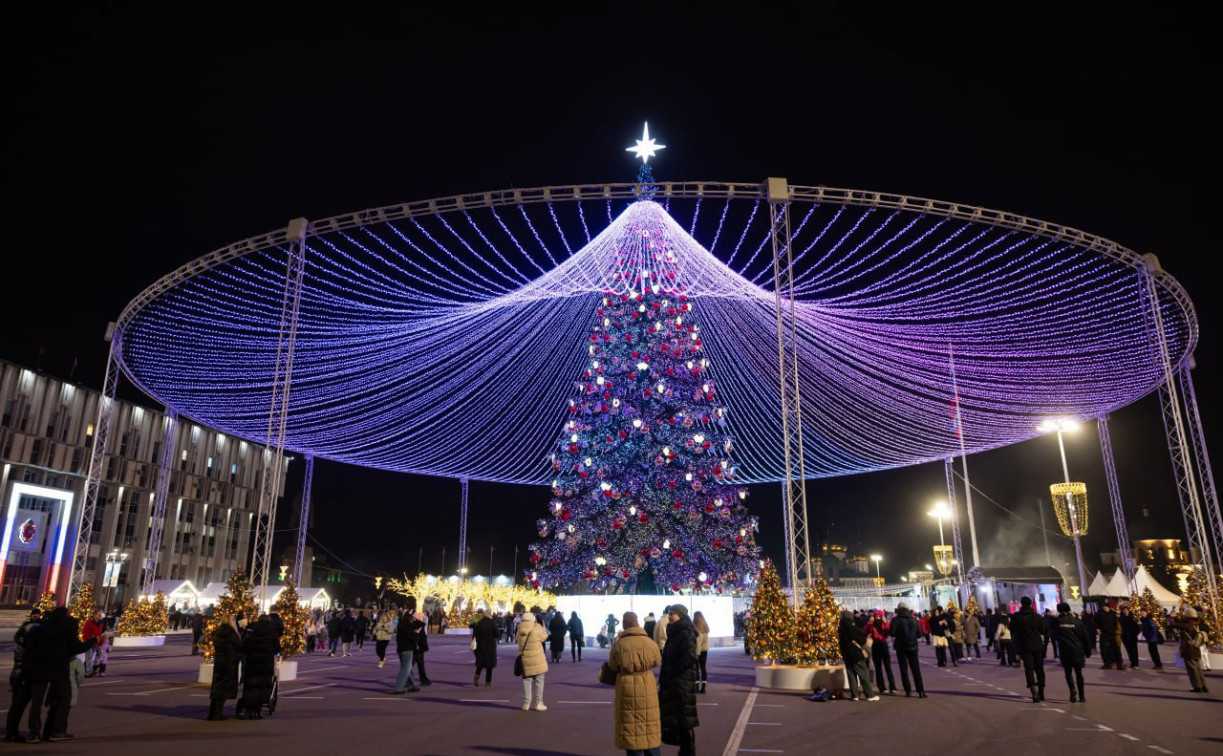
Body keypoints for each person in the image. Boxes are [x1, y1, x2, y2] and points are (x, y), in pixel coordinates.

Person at [26, 606, 98, 742]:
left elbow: (30, 651)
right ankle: (57, 730)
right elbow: (77, 648)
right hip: (58, 670)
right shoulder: (65, 630)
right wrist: (92, 640)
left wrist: (28, 669)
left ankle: (34, 732)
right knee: (64, 699)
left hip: (39, 670)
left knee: (37, 702)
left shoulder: (39, 629)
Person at [605, 612, 663, 756]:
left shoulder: (620, 644)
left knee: (631, 728)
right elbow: (657, 661)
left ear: (624, 625)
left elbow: (612, 665)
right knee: (649, 726)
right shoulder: (649, 642)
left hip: (626, 686)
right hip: (647, 684)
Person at [659, 605, 699, 756]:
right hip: (676, 682)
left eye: (673, 614)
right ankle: (685, 750)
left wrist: (674, 672)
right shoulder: (675, 631)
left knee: (684, 721)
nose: (670, 616)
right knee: (680, 720)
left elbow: (690, 657)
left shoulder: (685, 632)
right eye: (669, 614)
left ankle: (689, 752)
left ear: (681, 616)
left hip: (681, 682)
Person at [4, 608, 41, 743]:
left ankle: (11, 732)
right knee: (19, 705)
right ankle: (12, 733)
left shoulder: (21, 641)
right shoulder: (29, 645)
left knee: (16, 705)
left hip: (17, 673)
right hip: (23, 675)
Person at [237, 615, 280, 719]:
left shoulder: (251, 630)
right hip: (266, 662)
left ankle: (248, 709)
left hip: (252, 661)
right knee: (263, 686)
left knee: (250, 685)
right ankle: (257, 710)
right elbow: (277, 648)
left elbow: (245, 645)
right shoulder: (272, 631)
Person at [1010, 596, 1046, 702]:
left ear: (1021, 603)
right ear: (1031, 604)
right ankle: (1041, 692)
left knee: (1029, 669)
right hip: (1037, 645)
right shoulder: (1038, 617)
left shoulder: (1016, 617)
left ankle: (1034, 693)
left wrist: (1016, 650)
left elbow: (1013, 631)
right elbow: (1044, 630)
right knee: (1039, 669)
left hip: (1024, 646)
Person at [837, 608, 878, 702]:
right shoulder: (852, 627)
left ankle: (854, 695)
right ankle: (869, 695)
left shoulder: (841, 628)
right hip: (856, 653)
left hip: (846, 654)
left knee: (851, 674)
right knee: (863, 674)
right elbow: (862, 639)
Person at [208, 612, 242, 721]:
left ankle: (212, 713)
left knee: (217, 687)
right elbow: (239, 646)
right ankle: (218, 714)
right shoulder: (231, 633)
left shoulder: (218, 632)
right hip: (229, 663)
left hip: (219, 662)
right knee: (224, 689)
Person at [1053, 602, 1090, 703]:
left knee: (1068, 672)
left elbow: (1054, 635)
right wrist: (1088, 651)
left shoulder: (1057, 621)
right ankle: (1082, 696)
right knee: (1079, 673)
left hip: (1065, 650)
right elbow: (1085, 637)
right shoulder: (1077, 621)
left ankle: (1072, 690)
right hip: (1078, 650)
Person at [888, 602, 926, 698]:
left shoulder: (895, 620)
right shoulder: (914, 620)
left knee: (903, 669)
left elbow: (891, 633)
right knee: (916, 669)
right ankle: (921, 691)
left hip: (900, 647)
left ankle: (908, 691)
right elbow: (920, 634)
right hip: (913, 646)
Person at [1168, 607, 1208, 693]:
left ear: (1188, 615)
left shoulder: (1187, 623)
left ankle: (1197, 687)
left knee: (1192, 669)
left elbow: (1174, 625)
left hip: (1189, 649)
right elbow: (1179, 623)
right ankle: (1203, 686)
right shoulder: (1195, 622)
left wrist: (1171, 617)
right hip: (1195, 648)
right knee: (1198, 668)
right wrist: (1175, 618)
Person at [517, 611, 549, 711]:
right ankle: (539, 703)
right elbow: (545, 637)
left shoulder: (519, 630)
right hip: (537, 659)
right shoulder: (536, 629)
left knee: (527, 681)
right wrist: (541, 626)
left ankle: (526, 703)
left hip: (525, 659)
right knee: (539, 681)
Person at [391, 599, 424, 694]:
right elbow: (412, 637)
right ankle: (398, 688)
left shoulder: (402, 625)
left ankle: (412, 685)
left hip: (401, 649)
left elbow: (420, 624)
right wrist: (416, 633)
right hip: (407, 649)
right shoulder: (407, 626)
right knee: (405, 669)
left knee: (408, 669)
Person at [866, 610, 896, 694]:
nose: (877, 618)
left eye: (879, 616)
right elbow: (865, 631)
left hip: (883, 644)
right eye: (876, 617)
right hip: (875, 645)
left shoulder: (884, 624)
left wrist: (885, 622)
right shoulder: (871, 625)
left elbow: (889, 632)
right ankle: (881, 687)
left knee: (888, 667)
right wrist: (869, 622)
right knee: (878, 668)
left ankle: (892, 687)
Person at [473, 608, 499, 686]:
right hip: (490, 645)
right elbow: (497, 634)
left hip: (480, 644)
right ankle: (488, 682)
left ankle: (477, 675)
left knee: (480, 662)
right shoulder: (492, 623)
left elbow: (475, 634)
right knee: (489, 665)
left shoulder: (479, 623)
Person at [1096, 602, 1124, 670]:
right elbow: (1096, 622)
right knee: (1103, 650)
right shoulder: (1100, 614)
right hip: (1103, 634)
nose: (1105, 608)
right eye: (1104, 607)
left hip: (1112, 634)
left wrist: (1114, 631)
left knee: (1116, 649)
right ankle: (1106, 664)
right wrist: (1097, 629)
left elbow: (1116, 624)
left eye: (1106, 607)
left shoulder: (1113, 614)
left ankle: (1119, 664)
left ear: (1109, 608)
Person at [81, 611, 106, 677]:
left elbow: (100, 634)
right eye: (98, 614)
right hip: (89, 642)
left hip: (96, 643)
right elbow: (85, 633)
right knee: (89, 657)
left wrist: (100, 643)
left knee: (92, 657)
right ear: (94, 615)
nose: (100, 616)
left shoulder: (101, 624)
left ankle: (85, 671)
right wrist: (89, 640)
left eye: (100, 615)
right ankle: (88, 673)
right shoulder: (89, 622)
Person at [692, 610, 710, 694]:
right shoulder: (705, 627)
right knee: (703, 668)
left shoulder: (696, 628)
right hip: (704, 650)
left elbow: (697, 643)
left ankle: (695, 687)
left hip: (697, 651)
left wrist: (696, 654)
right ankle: (703, 687)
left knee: (696, 669)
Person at [413, 607, 432, 685]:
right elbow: (422, 638)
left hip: (418, 648)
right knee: (412, 665)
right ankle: (407, 680)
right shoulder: (417, 626)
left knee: (419, 665)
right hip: (417, 648)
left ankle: (424, 680)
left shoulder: (419, 626)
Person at [1119, 604, 1141, 669]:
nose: (1125, 611)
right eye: (1124, 610)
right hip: (1125, 637)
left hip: (1132, 637)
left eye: (1126, 610)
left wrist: (1135, 633)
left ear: (1128, 610)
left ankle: (1136, 664)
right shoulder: (1120, 619)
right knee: (1129, 651)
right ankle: (1132, 663)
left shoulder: (1133, 618)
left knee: (1134, 650)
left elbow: (1138, 627)